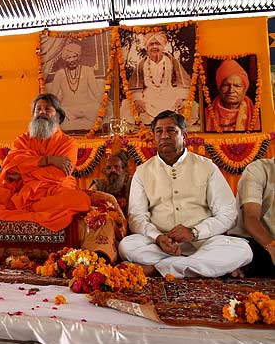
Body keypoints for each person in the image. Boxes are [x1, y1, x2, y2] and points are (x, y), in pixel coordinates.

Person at [118, 110, 252, 278]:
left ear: (184, 135)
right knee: (127, 245)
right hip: (161, 247)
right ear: (154, 137)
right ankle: (200, 268)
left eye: (171, 130)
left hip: (204, 243)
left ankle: (155, 270)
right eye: (159, 131)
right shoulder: (142, 172)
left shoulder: (207, 167)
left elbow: (228, 213)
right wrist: (158, 237)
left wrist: (195, 232)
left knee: (242, 250)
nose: (165, 136)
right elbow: (137, 217)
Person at [0, 93, 91, 236]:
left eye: (47, 109)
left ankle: (28, 208)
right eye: (38, 109)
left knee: (80, 199)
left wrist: (25, 171)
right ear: (33, 114)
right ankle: (31, 209)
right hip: (18, 192)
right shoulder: (23, 140)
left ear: (58, 115)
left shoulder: (68, 143)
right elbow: (11, 167)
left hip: (51, 193)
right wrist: (48, 160)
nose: (42, 112)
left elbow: (58, 175)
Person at [120, 31, 198, 126]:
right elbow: (135, 85)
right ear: (147, 47)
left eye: (157, 44)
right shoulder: (142, 63)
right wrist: (138, 100)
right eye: (151, 44)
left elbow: (182, 82)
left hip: (170, 96)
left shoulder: (171, 61)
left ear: (163, 46)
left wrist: (180, 98)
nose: (154, 47)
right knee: (127, 105)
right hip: (148, 97)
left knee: (190, 105)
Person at [233, 157, 275, 276]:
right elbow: (251, 218)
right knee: (247, 253)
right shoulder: (258, 170)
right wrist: (272, 247)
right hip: (255, 241)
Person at [48, 42, 103, 131]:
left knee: (97, 109)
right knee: (58, 114)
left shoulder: (87, 70)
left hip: (87, 107)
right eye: (69, 57)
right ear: (65, 59)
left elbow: (96, 92)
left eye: (74, 56)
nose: (72, 60)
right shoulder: (60, 74)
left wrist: (104, 104)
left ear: (79, 57)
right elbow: (53, 96)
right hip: (67, 109)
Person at [205, 59, 260, 132]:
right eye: (226, 85)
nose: (231, 90)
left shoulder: (256, 115)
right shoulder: (206, 114)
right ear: (219, 88)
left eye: (237, 86)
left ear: (244, 89)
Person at [88, 150, 132, 216]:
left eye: (116, 167)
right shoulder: (99, 185)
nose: (112, 170)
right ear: (105, 171)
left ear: (124, 170)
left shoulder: (131, 184)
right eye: (109, 168)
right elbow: (88, 199)